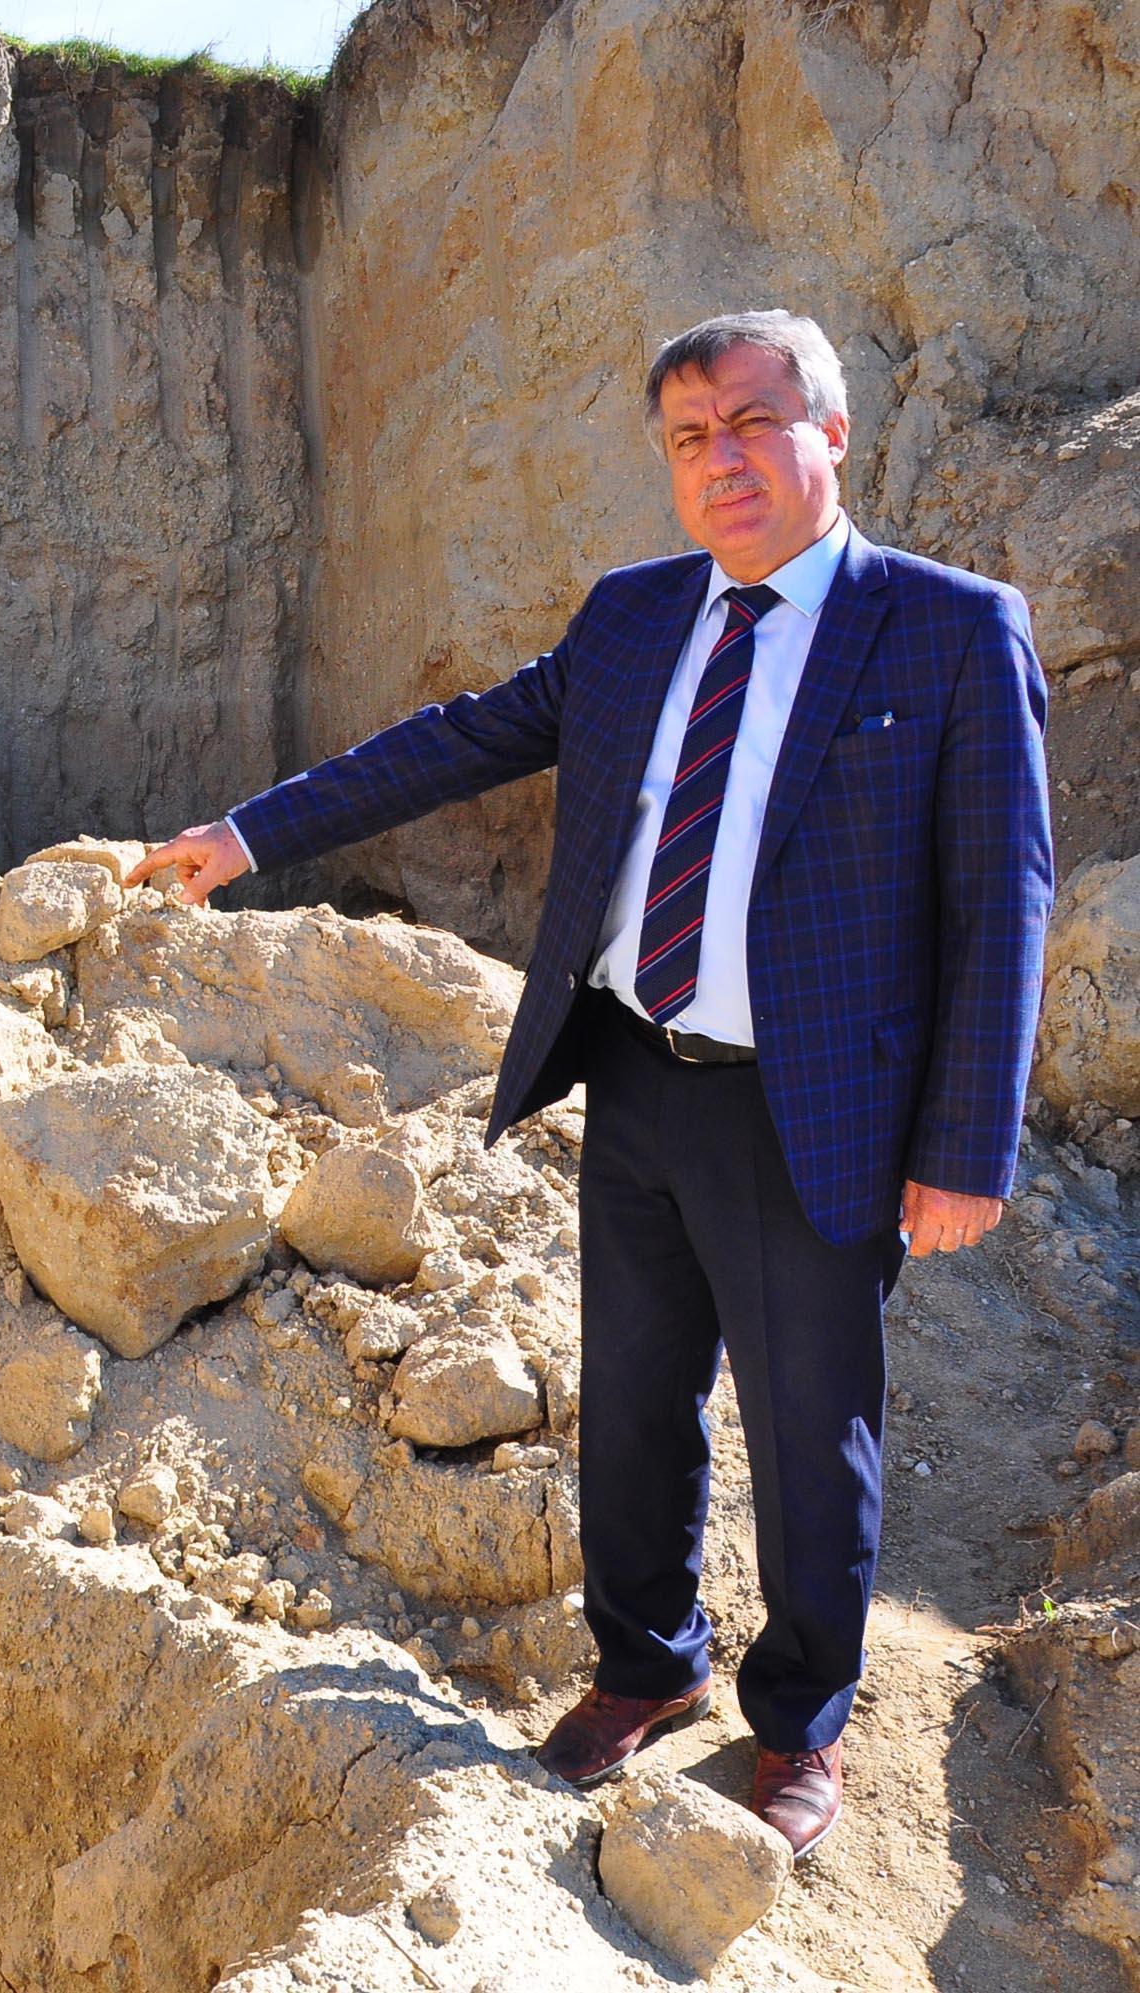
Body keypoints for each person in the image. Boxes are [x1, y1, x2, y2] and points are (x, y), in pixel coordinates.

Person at [117, 309, 1050, 1858]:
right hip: (636, 1072)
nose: (723, 460)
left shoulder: (951, 628)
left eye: (753, 422)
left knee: (813, 1431)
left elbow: (1002, 901)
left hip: (813, 1106)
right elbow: (464, 738)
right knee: (629, 1403)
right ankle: (647, 1666)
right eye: (690, 438)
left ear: (830, 433)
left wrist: (969, 1148)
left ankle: (803, 1717)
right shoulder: (635, 615)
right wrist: (252, 832)